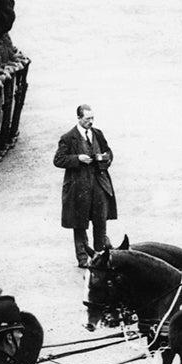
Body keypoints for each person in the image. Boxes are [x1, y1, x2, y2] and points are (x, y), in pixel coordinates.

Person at [55, 104, 117, 266]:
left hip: (98, 184)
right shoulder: (68, 138)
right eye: (87, 119)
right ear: (79, 118)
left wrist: (104, 158)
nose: (91, 121)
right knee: (79, 223)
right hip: (78, 187)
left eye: (92, 118)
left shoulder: (97, 134)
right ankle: (82, 258)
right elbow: (58, 160)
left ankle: (100, 254)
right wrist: (77, 159)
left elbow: (109, 153)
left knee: (100, 220)